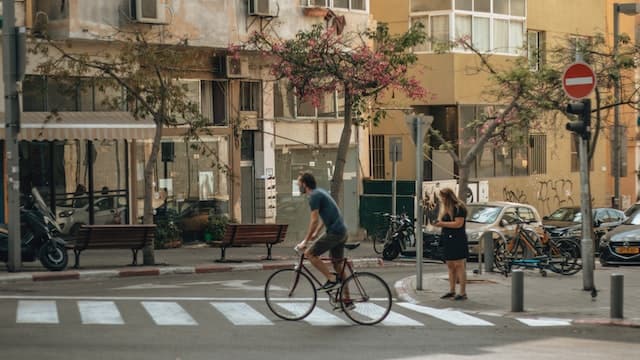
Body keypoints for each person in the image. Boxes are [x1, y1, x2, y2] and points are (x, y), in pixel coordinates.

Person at [295, 172, 349, 293]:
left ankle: (331, 279)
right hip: (341, 231)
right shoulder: (320, 192)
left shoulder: (314, 196)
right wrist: (316, 233)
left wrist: (306, 241)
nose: (298, 186)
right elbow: (326, 218)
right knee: (337, 265)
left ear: (304, 184)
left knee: (310, 254)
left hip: (335, 232)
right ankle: (347, 299)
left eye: (299, 183)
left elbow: (314, 221)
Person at [432, 188, 469, 301]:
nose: (442, 199)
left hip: (457, 239)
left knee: (459, 265)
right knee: (450, 265)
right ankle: (452, 290)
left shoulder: (459, 207)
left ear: (448, 197)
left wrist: (442, 223)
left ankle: (462, 292)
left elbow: (458, 224)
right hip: (447, 238)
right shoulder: (445, 208)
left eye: (443, 197)